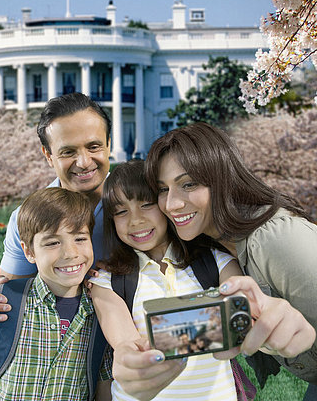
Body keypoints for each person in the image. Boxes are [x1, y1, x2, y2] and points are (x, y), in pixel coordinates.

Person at [130, 121, 317, 401]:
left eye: (188, 184)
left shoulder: (276, 238)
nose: (172, 203)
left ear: (222, 179)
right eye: (163, 189)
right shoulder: (214, 247)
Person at [89, 160, 248, 401]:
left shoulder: (215, 261)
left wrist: (162, 331)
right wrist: (216, 320)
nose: (135, 220)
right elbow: (129, 346)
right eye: (121, 211)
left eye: (146, 204)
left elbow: (241, 315)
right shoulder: (106, 282)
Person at [0, 187, 112, 401]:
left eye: (80, 239)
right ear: (29, 251)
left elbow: (104, 389)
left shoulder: (101, 313)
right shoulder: (8, 304)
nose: (71, 253)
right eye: (52, 243)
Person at [0, 92, 112, 330]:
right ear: (48, 155)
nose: (84, 162)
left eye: (94, 146)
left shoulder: (140, 205)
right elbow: (11, 292)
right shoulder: (27, 217)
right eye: (68, 152)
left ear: (109, 144)